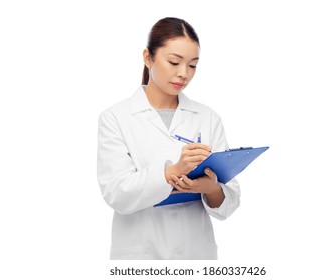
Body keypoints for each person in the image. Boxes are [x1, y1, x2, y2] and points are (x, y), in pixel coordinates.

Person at [97, 17, 240, 260]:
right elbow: (116, 194)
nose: (183, 74)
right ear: (148, 57)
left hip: (196, 256)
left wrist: (211, 188)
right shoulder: (115, 118)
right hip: (141, 257)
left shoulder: (207, 117)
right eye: (174, 62)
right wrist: (172, 171)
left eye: (193, 65)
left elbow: (228, 200)